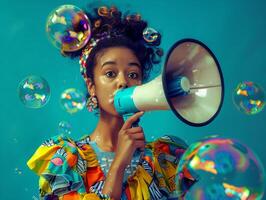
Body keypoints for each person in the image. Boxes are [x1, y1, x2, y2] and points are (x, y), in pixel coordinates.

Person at [27, 5, 192, 200]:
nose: (123, 82)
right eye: (110, 73)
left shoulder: (164, 161)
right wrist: (119, 163)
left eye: (133, 74)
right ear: (91, 86)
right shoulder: (66, 160)